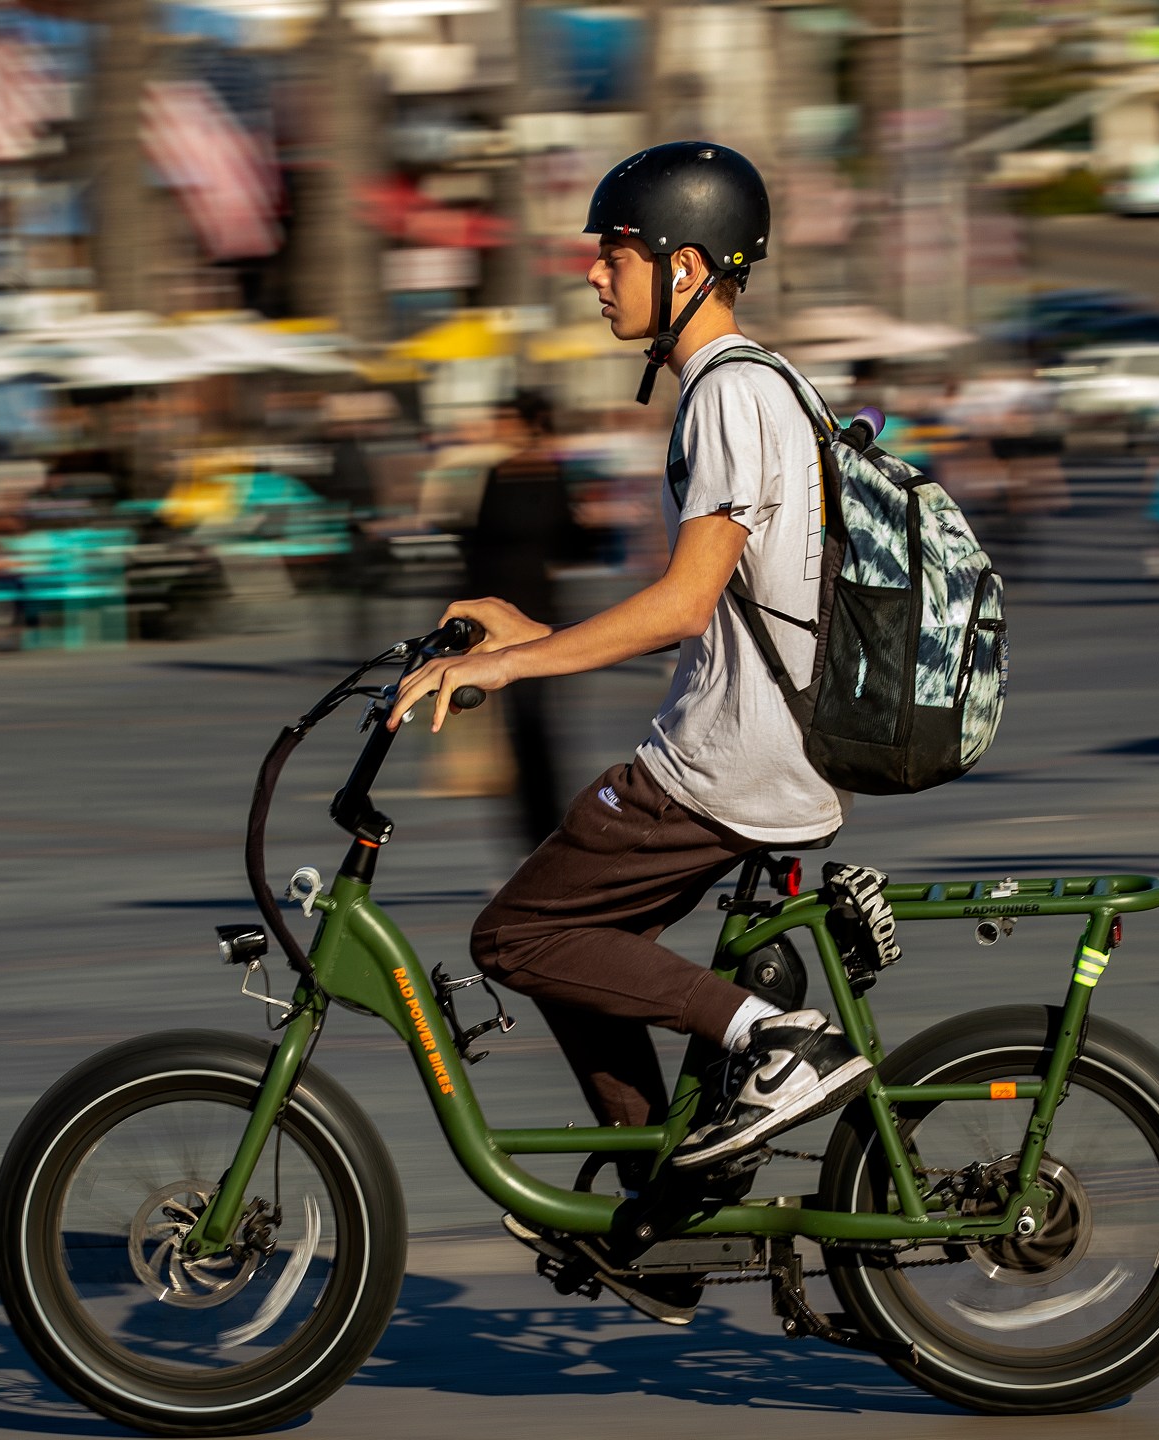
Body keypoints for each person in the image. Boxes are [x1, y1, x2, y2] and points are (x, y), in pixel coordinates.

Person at [385, 142, 871, 1324]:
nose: (593, 276)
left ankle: (775, 1043)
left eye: (613, 253)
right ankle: (662, 1219)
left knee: (517, 932)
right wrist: (525, 625)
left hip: (728, 760)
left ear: (687, 265)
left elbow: (684, 603)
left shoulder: (727, 391)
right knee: (575, 940)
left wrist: (506, 663)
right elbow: (720, 610)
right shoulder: (759, 386)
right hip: (751, 738)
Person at [462, 390, 587, 847]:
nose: (499, 427)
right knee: (525, 733)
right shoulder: (516, 473)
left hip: (534, 622)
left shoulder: (539, 473)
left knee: (533, 731)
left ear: (530, 424)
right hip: (506, 618)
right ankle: (541, 836)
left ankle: (546, 836)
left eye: (507, 419)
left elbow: (568, 544)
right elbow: (479, 549)